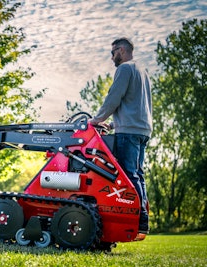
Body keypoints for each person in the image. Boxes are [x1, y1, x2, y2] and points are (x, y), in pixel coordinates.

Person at [88, 37, 152, 235]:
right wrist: (114, 124)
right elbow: (136, 105)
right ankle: (142, 219)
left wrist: (96, 120)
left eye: (113, 52)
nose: (111, 57)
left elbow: (114, 98)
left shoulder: (124, 69)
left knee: (128, 176)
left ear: (122, 50)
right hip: (142, 130)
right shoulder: (143, 72)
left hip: (129, 133)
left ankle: (136, 219)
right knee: (137, 175)